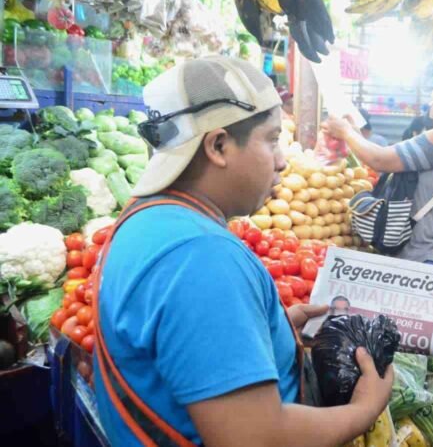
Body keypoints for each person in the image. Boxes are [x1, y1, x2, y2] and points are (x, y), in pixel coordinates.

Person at [93, 57, 393, 447]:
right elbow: (256, 439)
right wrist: (362, 411)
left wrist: (268, 329)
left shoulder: (145, 220)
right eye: (271, 139)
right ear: (218, 145)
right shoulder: (201, 256)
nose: (282, 160)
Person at [324, 77, 433, 265]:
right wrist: (355, 132)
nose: (429, 105)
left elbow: (380, 159)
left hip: (428, 256)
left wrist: (346, 132)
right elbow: (387, 155)